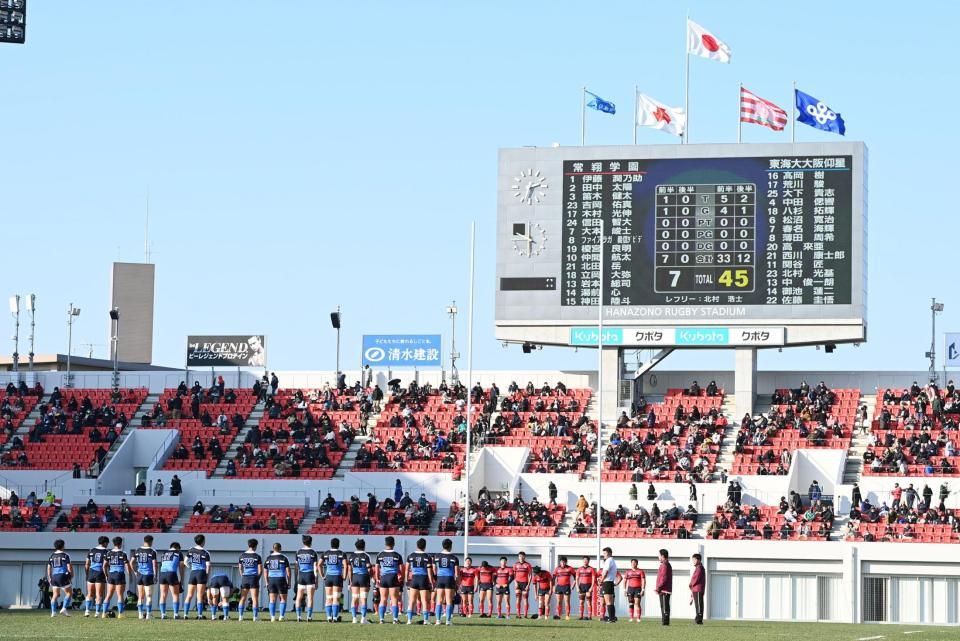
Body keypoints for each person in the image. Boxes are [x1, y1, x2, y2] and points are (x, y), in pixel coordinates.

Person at [375, 536, 404, 624]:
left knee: (383, 599)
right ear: (394, 544)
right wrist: (401, 577)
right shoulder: (397, 555)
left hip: (383, 578)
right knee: (394, 598)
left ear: (385, 543)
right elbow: (402, 568)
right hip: (393, 577)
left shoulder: (380, 555)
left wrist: (377, 578)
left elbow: (377, 568)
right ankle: (395, 619)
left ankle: (381, 619)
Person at [406, 538, 435, 624]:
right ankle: (426, 620)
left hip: (414, 579)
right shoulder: (427, 556)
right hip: (423, 579)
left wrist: (406, 579)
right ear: (425, 546)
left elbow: (407, 569)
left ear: (417, 545)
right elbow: (429, 571)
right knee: (424, 601)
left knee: (411, 600)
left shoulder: (411, 556)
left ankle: (409, 620)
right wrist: (431, 582)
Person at [183, 534, 212, 619]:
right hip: (201, 573)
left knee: (189, 595)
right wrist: (207, 575)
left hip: (193, 573)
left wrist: (190, 567)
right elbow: (208, 566)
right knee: (199, 595)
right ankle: (199, 615)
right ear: (203, 541)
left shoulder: (191, 550)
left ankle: (185, 614)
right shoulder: (206, 552)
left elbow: (185, 562)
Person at [293, 535, 319, 622]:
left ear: (303, 542)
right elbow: (315, 567)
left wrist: (296, 577)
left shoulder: (298, 552)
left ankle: (298, 616)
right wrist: (317, 579)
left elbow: (296, 566)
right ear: (311, 542)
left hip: (301, 576)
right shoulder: (313, 552)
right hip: (310, 575)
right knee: (310, 597)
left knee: (298, 597)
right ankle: (309, 617)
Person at [433, 538, 459, 626]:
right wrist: (457, 583)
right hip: (449, 579)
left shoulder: (437, 556)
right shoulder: (454, 558)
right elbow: (457, 573)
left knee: (439, 600)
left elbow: (434, 570)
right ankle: (448, 621)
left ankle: (438, 621)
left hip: (440, 578)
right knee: (449, 600)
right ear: (451, 546)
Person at [131, 535, 158, 619]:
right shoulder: (152, 551)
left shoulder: (137, 550)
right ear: (151, 541)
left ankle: (140, 614)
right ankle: (148, 615)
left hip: (140, 575)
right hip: (148, 575)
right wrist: (155, 575)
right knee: (148, 596)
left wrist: (135, 571)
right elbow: (155, 564)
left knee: (140, 596)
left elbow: (131, 562)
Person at [321, 537, 347, 622]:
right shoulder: (341, 553)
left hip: (328, 577)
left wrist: (322, 575)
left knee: (328, 598)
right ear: (338, 545)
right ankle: (335, 618)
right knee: (336, 598)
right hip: (337, 577)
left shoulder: (325, 553)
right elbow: (345, 565)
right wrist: (344, 576)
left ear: (330, 544)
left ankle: (329, 617)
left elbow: (319, 564)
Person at [102, 536, 129, 618]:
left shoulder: (108, 553)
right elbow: (127, 565)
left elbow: (104, 566)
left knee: (108, 595)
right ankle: (120, 614)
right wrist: (129, 574)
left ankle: (104, 613)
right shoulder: (123, 553)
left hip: (111, 574)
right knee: (120, 595)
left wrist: (106, 575)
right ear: (121, 543)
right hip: (119, 574)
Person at [348, 539, 373, 624]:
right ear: (364, 546)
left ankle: (354, 618)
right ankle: (363, 619)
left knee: (354, 598)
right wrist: (372, 577)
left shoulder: (351, 556)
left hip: (355, 578)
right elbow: (369, 569)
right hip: (363, 577)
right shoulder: (366, 556)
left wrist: (350, 582)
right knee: (363, 598)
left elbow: (349, 570)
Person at [265, 542, 291, 622]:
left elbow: (265, 571)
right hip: (281, 579)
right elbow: (288, 571)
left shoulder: (268, 558)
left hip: (271, 579)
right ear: (280, 548)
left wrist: (266, 582)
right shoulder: (284, 558)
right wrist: (289, 582)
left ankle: (272, 617)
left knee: (272, 599)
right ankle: (281, 617)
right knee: (283, 599)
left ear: (273, 549)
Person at [237, 539, 263, 621]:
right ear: (255, 546)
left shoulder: (242, 556)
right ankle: (255, 617)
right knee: (254, 598)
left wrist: (243, 576)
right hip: (254, 577)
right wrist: (257, 578)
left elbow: (240, 568)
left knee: (243, 597)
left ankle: (240, 617)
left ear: (248, 545)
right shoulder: (257, 556)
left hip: (245, 577)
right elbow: (260, 570)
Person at [84, 535, 109, 617]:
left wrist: (87, 573)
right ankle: (97, 613)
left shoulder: (91, 550)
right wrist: (107, 575)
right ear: (105, 543)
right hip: (100, 573)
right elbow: (106, 565)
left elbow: (87, 564)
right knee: (99, 594)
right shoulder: (106, 552)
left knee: (89, 593)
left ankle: (87, 611)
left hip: (91, 572)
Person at [157, 542, 183, 619]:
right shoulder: (179, 553)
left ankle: (163, 614)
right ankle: (176, 614)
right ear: (177, 547)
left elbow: (163, 564)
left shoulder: (164, 553)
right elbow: (181, 566)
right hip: (171, 573)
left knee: (163, 594)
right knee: (175, 594)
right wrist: (181, 578)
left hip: (162, 573)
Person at [47, 539, 73, 617]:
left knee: (55, 595)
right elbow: (69, 567)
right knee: (69, 593)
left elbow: (49, 568)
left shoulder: (52, 556)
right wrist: (70, 576)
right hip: (62, 575)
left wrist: (49, 577)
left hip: (54, 576)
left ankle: (53, 612)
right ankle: (64, 608)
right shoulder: (65, 555)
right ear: (62, 546)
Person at [598, 547, 619, 622]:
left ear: (610, 553)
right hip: (610, 582)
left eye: (605, 553)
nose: (604, 555)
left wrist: (602, 580)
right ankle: (612, 618)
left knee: (608, 601)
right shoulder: (612, 560)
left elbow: (605, 572)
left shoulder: (609, 560)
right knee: (611, 602)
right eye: (603, 553)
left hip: (607, 582)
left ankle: (611, 618)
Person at [552, 555, 575, 620]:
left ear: (566, 562)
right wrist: (553, 587)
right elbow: (553, 579)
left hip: (566, 586)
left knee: (567, 601)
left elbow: (576, 577)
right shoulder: (557, 569)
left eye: (564, 562)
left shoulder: (570, 568)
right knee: (559, 601)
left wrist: (573, 585)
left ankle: (567, 615)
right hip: (559, 586)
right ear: (560, 562)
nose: (562, 563)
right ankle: (559, 615)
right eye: (561, 562)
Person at [624, 558, 646, 623]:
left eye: (635, 563)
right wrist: (624, 590)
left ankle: (638, 618)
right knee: (631, 603)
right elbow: (625, 581)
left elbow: (643, 580)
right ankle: (631, 618)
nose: (633, 564)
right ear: (631, 564)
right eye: (632, 563)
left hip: (638, 589)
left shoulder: (640, 571)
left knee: (637, 603)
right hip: (630, 588)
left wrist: (643, 590)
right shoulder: (628, 572)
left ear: (637, 563)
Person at [576, 555, 597, 620]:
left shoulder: (591, 569)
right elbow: (577, 579)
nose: (585, 561)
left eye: (586, 560)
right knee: (581, 602)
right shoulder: (579, 569)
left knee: (588, 602)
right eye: (584, 560)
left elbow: (593, 579)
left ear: (588, 561)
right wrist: (577, 587)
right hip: (581, 586)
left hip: (588, 586)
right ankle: (581, 616)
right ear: (583, 561)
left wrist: (591, 587)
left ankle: (589, 616)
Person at [512, 551, 533, 618]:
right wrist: (515, 583)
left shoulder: (528, 565)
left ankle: (525, 614)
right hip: (518, 583)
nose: (521, 557)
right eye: (520, 556)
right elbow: (514, 575)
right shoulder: (515, 564)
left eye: (522, 556)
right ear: (518, 557)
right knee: (518, 598)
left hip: (525, 583)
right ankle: (518, 614)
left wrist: (528, 585)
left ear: (524, 557)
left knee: (525, 598)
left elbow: (530, 575)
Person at [655, 548, 673, 626]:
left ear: (662, 556)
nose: (658, 557)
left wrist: (659, 587)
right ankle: (664, 621)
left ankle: (665, 622)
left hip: (664, 589)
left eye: (659, 555)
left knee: (665, 606)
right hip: (664, 589)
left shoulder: (665, 565)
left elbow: (664, 577)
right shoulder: (665, 564)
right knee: (663, 606)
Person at [689, 553, 706, 625]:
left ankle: (699, 620)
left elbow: (695, 579)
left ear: (698, 560)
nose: (693, 561)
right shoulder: (698, 568)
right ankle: (698, 619)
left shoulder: (700, 568)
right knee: (697, 605)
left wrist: (690, 584)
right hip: (696, 589)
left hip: (698, 589)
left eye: (694, 559)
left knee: (699, 604)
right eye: (693, 560)